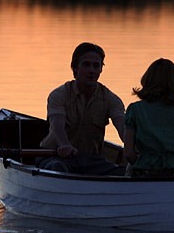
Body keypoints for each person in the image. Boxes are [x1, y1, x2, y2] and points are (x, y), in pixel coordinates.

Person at [38, 42, 126, 175]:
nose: (91, 70)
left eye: (96, 66)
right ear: (75, 68)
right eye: (86, 64)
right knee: (57, 168)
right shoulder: (59, 95)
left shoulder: (111, 99)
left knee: (126, 172)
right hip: (56, 156)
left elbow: (123, 127)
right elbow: (57, 125)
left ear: (101, 70)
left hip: (92, 161)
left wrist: (136, 148)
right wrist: (64, 144)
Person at [124, 58, 174, 177]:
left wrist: (140, 166)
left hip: (142, 170)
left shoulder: (134, 110)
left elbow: (129, 154)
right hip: (173, 172)